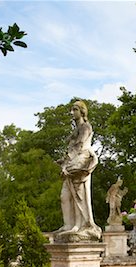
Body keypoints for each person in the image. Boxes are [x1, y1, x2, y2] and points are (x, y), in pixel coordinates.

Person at [56, 100, 101, 240]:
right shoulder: (76, 129)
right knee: (64, 196)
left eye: (75, 109)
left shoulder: (85, 127)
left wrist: (67, 161)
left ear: (82, 111)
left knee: (78, 195)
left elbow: (80, 145)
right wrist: (64, 161)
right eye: (72, 110)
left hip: (80, 163)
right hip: (72, 162)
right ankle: (68, 224)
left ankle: (79, 225)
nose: (72, 113)